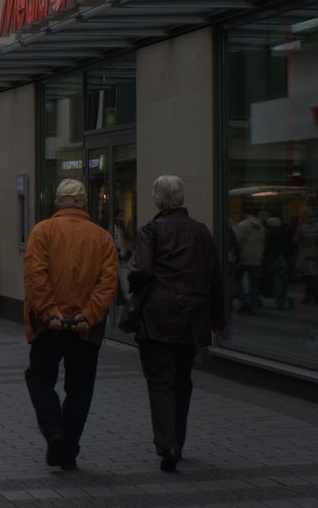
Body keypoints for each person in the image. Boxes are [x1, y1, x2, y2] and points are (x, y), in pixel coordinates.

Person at [130, 175, 224, 472]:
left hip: (157, 317)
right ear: (181, 198)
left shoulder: (151, 231)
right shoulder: (201, 232)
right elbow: (215, 277)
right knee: (182, 381)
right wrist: (217, 319)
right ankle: (178, 442)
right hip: (192, 318)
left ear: (158, 199)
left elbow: (141, 271)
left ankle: (166, 443)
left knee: (160, 382)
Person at [22, 179, 118, 471]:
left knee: (39, 379)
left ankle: (54, 433)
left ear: (57, 203)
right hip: (84, 329)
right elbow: (108, 282)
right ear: (85, 203)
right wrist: (88, 315)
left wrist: (50, 313)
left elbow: (35, 276)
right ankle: (69, 448)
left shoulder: (42, 232)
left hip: (49, 326)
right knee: (80, 388)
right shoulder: (102, 237)